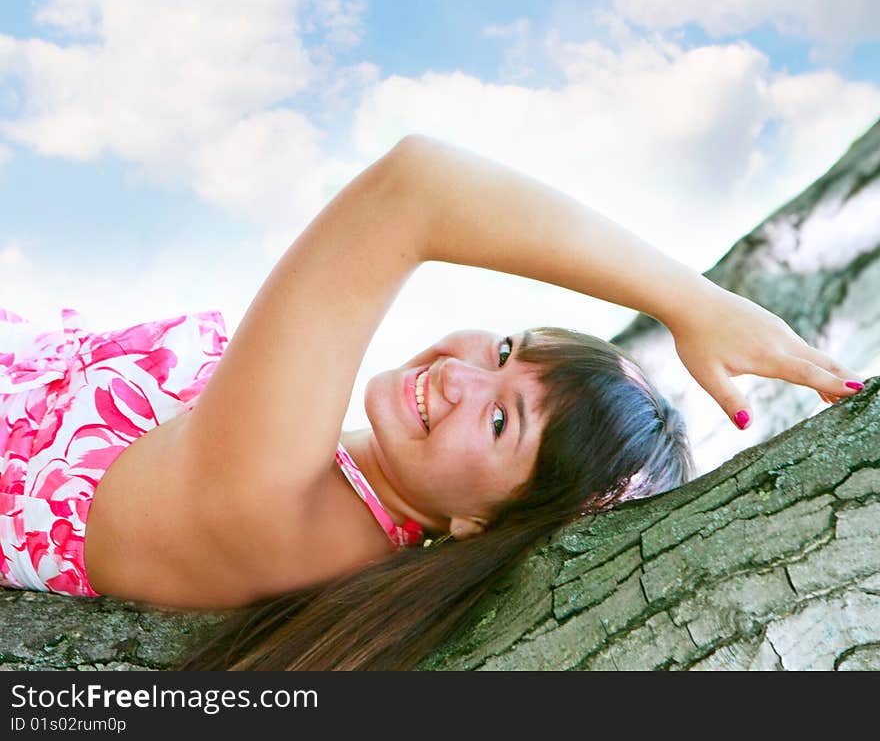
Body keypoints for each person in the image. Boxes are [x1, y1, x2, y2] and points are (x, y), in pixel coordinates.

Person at [0, 134, 864, 671]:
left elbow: (413, 187)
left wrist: (696, 302)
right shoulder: (332, 488)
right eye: (504, 352)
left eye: (500, 421)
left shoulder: (279, 508)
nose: (460, 376)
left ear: (483, 527)